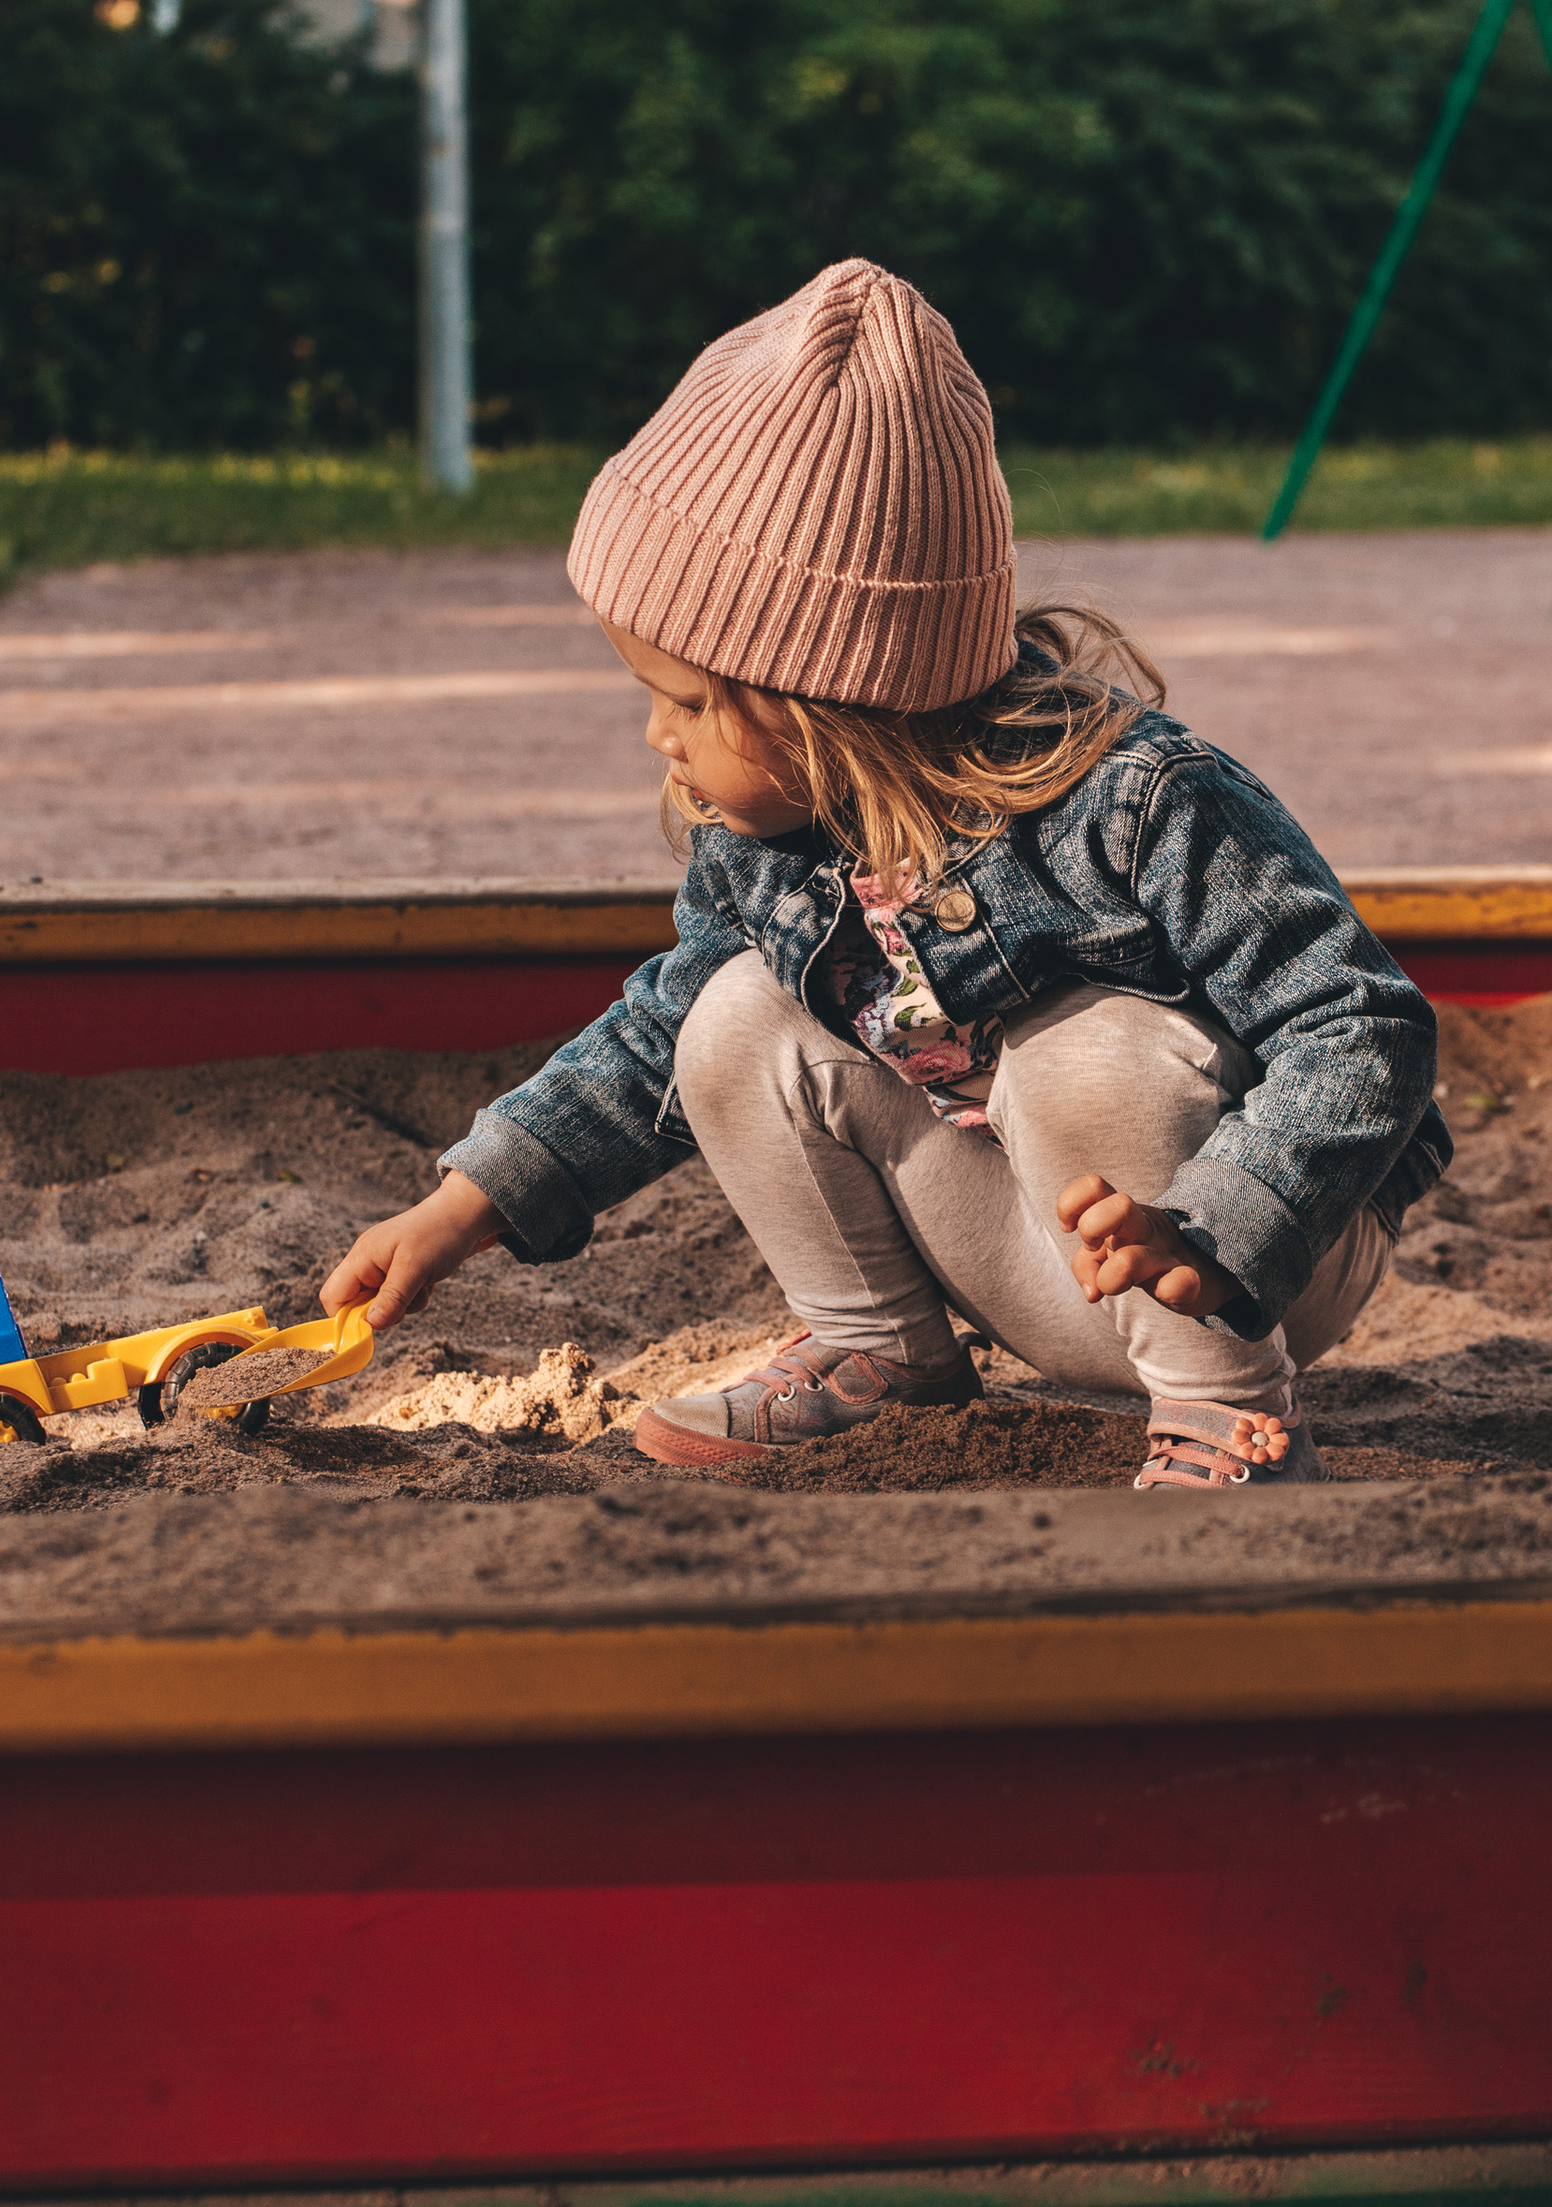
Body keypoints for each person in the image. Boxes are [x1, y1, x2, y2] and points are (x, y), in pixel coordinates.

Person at [320, 260, 1450, 1489]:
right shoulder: (768, 838)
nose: (658, 736)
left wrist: (1229, 1224)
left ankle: (1223, 1420)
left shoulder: (1136, 801)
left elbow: (1360, 1022)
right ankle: (879, 1356)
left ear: (831, 698)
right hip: (1034, 1257)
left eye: (689, 701)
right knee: (729, 1018)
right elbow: (648, 1047)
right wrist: (465, 1206)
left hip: (1243, 1268)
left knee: (1090, 1046)